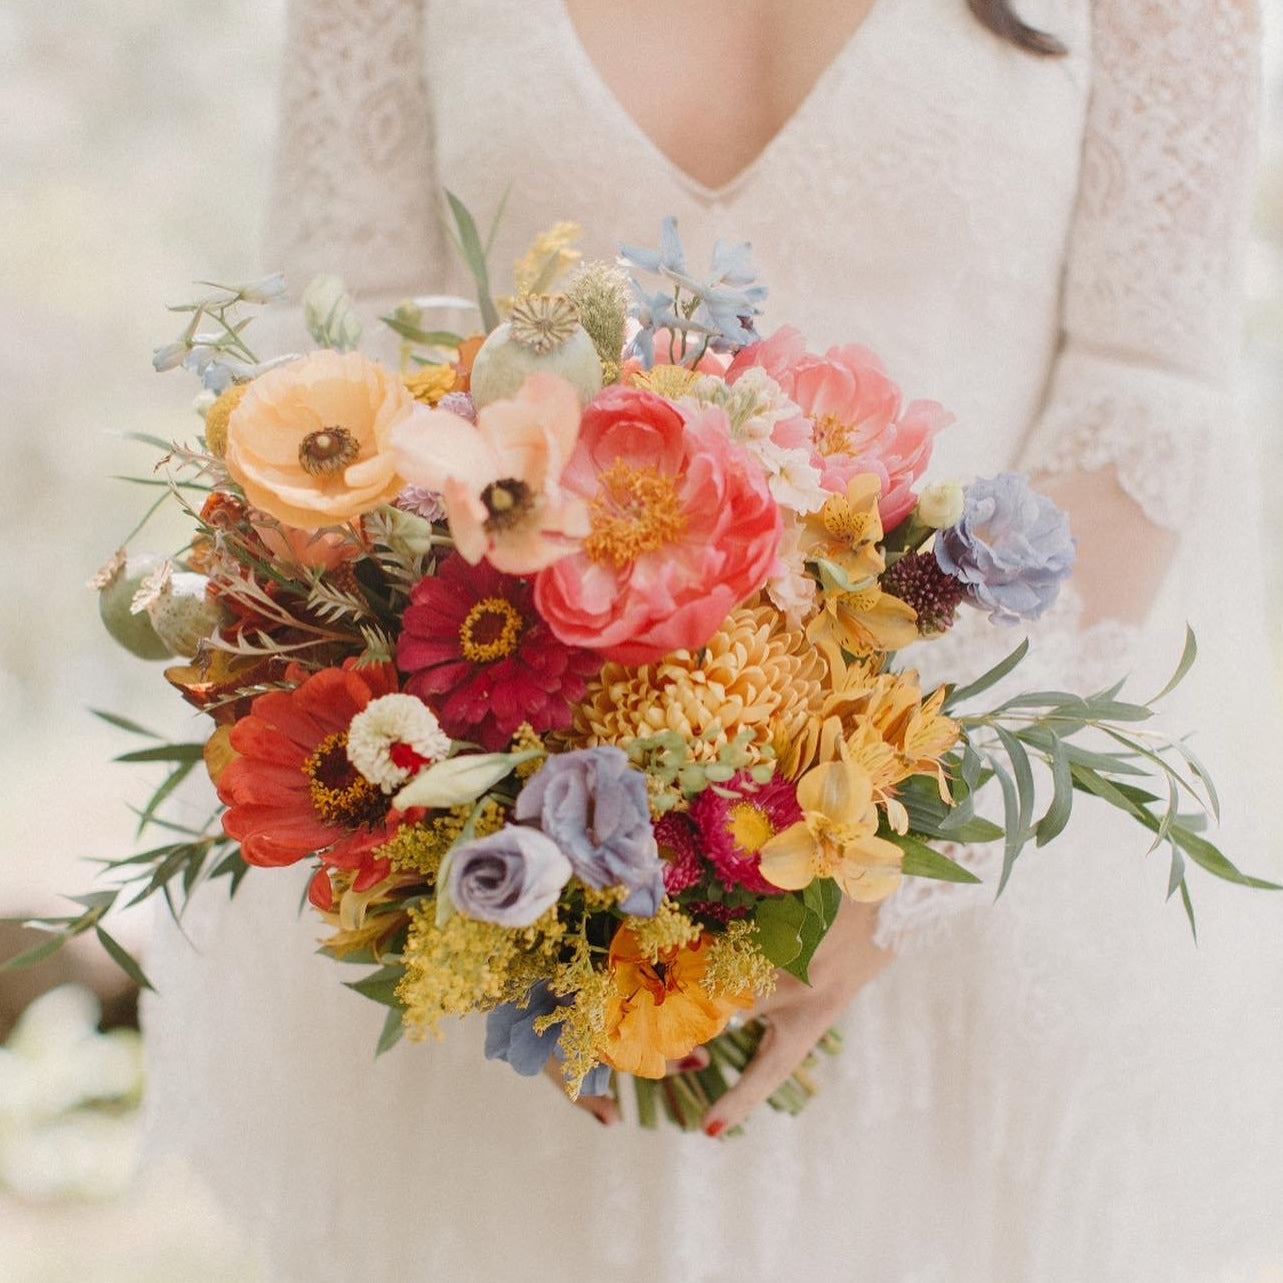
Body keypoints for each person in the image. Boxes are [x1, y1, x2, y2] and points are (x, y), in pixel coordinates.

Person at [142, 1, 1283, 1279]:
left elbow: (1145, 390)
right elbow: (334, 340)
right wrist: (510, 796)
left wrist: (897, 846)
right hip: (526, 850)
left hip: (973, 846)